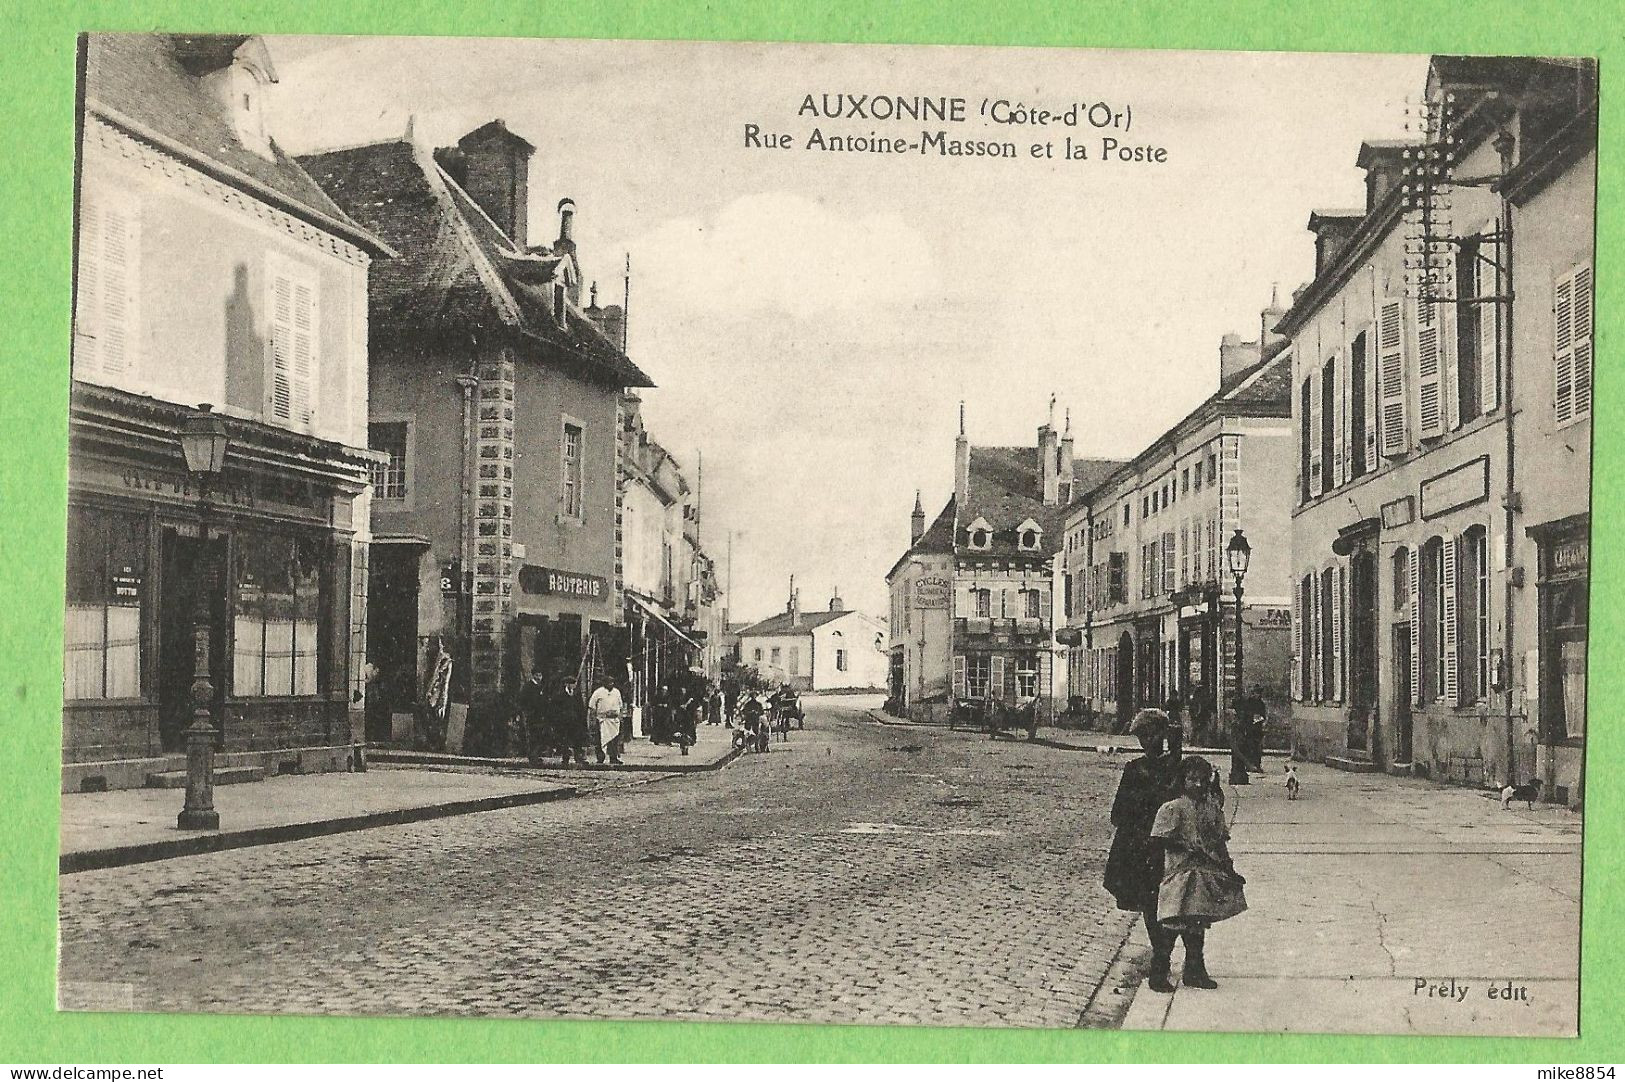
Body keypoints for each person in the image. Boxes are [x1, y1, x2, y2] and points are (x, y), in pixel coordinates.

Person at [1103, 709, 1183, 993]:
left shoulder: (1173, 768)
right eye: (1142, 736)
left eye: (1151, 735)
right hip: (1142, 851)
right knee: (1152, 908)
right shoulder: (1135, 769)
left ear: (1163, 736)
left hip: (1164, 849)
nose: (1146, 741)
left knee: (1172, 907)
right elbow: (1117, 814)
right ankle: (1160, 964)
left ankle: (1163, 962)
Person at [1151, 755, 1248, 989]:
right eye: (1191, 779)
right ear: (1182, 780)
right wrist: (1183, 846)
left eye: (1202, 780)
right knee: (1172, 924)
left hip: (1204, 872)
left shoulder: (1211, 808)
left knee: (1197, 923)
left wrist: (1228, 866)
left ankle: (1194, 970)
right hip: (1179, 873)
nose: (1197, 785)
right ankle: (1158, 973)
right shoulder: (1173, 808)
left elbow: (1219, 841)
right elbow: (1158, 840)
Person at [548, 673, 590, 767]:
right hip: (564, 722)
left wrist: (582, 720)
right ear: (567, 684)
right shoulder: (559, 695)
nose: (574, 686)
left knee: (577, 741)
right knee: (565, 741)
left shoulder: (576, 694)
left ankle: (578, 758)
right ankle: (565, 759)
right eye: (572, 684)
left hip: (576, 722)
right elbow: (554, 709)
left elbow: (580, 708)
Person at [587, 672, 626, 765]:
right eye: (609, 682)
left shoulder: (616, 692)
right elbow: (592, 706)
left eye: (612, 682)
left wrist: (620, 716)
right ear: (604, 683)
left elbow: (620, 706)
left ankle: (613, 758)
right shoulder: (598, 692)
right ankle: (600, 758)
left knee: (614, 740)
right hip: (602, 720)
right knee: (600, 739)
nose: (611, 684)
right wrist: (592, 719)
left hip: (614, 720)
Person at [517, 668, 552, 766]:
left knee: (540, 736)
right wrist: (526, 712)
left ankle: (536, 755)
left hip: (541, 715)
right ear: (533, 675)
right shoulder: (528, 687)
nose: (539, 677)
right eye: (537, 675)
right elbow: (522, 701)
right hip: (532, 715)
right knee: (533, 736)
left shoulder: (542, 687)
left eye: (540, 675)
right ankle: (533, 757)